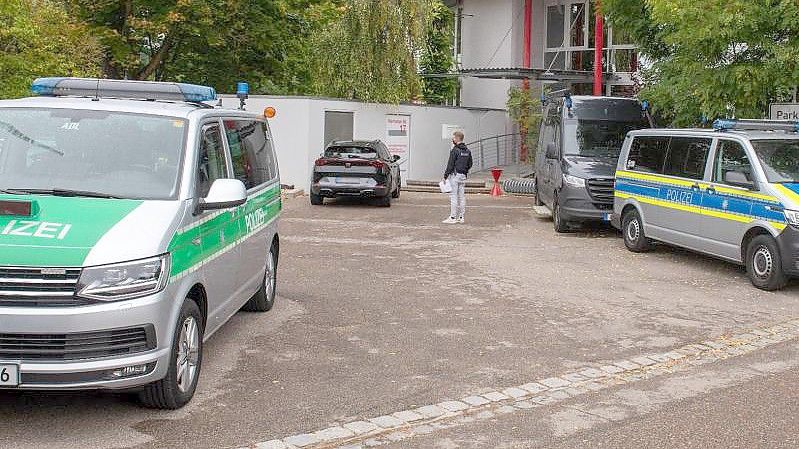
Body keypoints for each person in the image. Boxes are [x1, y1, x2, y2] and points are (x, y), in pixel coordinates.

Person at [442, 131, 472, 224]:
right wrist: (465, 171)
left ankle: (452, 217)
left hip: (454, 176)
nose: (453, 139)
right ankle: (461, 217)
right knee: (462, 197)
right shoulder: (467, 151)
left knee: (453, 196)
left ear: (457, 138)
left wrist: (445, 176)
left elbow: (450, 164)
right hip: (463, 176)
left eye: (454, 138)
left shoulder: (455, 150)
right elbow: (470, 163)